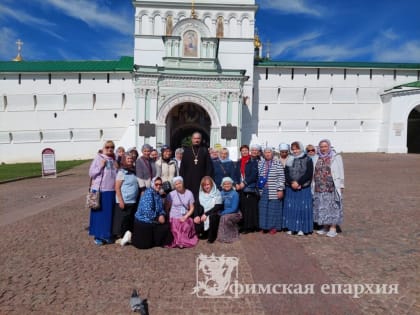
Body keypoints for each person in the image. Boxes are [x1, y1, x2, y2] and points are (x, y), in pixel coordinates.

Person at [312, 139, 345, 238]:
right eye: (321, 147)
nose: (323, 149)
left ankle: (333, 227)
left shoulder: (336, 157)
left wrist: (342, 185)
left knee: (333, 207)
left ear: (329, 147)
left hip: (332, 186)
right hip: (319, 186)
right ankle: (325, 226)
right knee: (322, 207)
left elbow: (341, 171)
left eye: (325, 146)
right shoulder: (316, 157)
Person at [88, 140, 118, 245]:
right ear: (104, 147)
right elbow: (91, 173)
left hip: (111, 190)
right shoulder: (98, 158)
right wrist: (100, 166)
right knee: (98, 214)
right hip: (99, 190)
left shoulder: (114, 159)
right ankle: (98, 236)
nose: (110, 149)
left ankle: (106, 234)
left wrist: (117, 167)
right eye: (107, 147)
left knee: (108, 214)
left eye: (112, 147)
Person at [131, 177, 173, 249]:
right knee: (144, 246)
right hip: (143, 221)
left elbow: (160, 208)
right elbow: (147, 211)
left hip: (153, 221)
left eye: (160, 184)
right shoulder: (149, 193)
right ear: (153, 184)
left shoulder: (158, 194)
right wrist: (157, 218)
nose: (158, 186)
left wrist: (162, 214)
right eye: (156, 184)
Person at [283, 141, 314, 236]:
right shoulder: (289, 159)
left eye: (296, 148)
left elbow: (309, 173)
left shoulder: (308, 159)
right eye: (293, 149)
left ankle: (302, 228)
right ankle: (292, 227)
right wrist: (292, 182)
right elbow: (286, 172)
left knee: (302, 208)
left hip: (303, 187)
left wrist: (299, 182)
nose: (295, 151)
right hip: (291, 187)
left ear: (300, 148)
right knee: (292, 207)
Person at [258, 147, 285, 234]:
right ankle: (264, 226)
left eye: (269, 152)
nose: (267, 154)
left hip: (274, 189)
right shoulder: (260, 163)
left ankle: (273, 227)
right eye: (265, 152)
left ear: (272, 153)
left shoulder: (277, 163)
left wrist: (280, 189)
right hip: (263, 189)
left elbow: (281, 177)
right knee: (263, 209)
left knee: (273, 209)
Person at [113, 154, 139, 245]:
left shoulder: (134, 171)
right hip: (124, 200)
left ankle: (127, 236)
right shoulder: (121, 172)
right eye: (128, 159)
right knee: (121, 220)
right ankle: (119, 237)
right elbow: (117, 187)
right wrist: (121, 201)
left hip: (132, 200)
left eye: (131, 158)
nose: (130, 160)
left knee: (128, 220)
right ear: (124, 160)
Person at [179, 132, 213, 201]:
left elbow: (209, 166)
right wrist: (182, 180)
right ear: (192, 139)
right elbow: (182, 167)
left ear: (201, 139)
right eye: (195, 138)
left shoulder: (204, 150)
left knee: (201, 198)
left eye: (198, 138)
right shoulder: (187, 151)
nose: (196, 140)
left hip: (201, 180)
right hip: (188, 180)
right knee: (189, 199)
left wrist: (207, 179)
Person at [166, 176, 198, 248]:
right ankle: (180, 242)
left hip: (185, 216)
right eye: (176, 184)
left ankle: (182, 242)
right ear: (174, 186)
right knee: (175, 228)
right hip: (173, 217)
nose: (178, 185)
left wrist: (185, 217)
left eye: (179, 183)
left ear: (183, 183)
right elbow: (167, 208)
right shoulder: (171, 194)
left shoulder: (189, 193)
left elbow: (192, 208)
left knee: (185, 226)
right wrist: (168, 218)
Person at [235, 144, 259, 234]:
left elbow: (253, 174)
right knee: (243, 207)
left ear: (248, 151)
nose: (244, 152)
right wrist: (236, 183)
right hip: (240, 187)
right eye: (242, 150)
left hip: (249, 187)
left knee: (249, 208)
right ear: (240, 152)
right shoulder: (239, 161)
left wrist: (244, 183)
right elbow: (236, 174)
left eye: (246, 150)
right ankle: (243, 225)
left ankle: (249, 227)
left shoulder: (252, 161)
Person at [194, 176, 223, 243]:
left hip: (214, 213)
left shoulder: (216, 192)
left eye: (208, 184)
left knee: (212, 217)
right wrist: (196, 215)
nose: (206, 187)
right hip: (203, 214)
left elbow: (218, 206)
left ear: (211, 184)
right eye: (204, 185)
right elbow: (197, 206)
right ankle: (203, 233)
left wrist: (206, 214)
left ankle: (212, 236)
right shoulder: (200, 194)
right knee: (197, 219)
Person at [217, 177, 242, 243]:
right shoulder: (221, 193)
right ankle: (222, 237)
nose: (227, 185)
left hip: (235, 213)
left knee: (224, 217)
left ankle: (231, 237)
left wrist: (223, 212)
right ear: (222, 185)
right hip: (225, 212)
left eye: (229, 184)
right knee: (220, 216)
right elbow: (218, 203)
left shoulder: (235, 194)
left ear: (231, 184)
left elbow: (234, 208)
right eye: (225, 184)